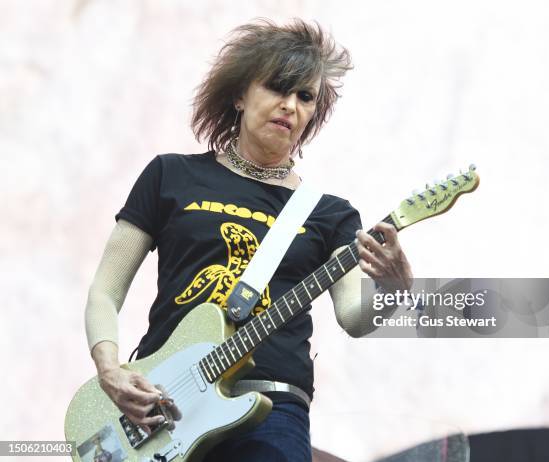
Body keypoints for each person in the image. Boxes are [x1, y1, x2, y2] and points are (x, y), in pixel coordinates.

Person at [85, 18, 413, 462]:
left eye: (305, 97)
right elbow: (106, 290)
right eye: (278, 87)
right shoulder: (171, 175)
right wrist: (110, 369)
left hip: (272, 411)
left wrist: (396, 286)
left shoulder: (330, 213)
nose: (290, 105)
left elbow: (354, 317)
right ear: (240, 95)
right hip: (163, 406)